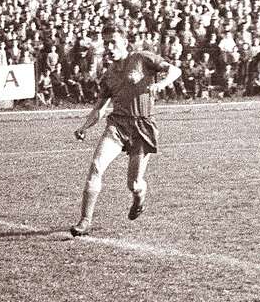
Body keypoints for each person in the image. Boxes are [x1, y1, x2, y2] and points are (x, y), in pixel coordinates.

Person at [69, 24, 181, 237]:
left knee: (134, 184)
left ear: (125, 42)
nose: (110, 47)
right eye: (106, 43)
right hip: (117, 126)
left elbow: (176, 70)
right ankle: (84, 221)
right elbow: (99, 109)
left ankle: (139, 200)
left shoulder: (141, 57)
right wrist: (84, 127)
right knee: (96, 166)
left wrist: (162, 83)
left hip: (143, 127)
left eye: (114, 42)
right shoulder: (109, 74)